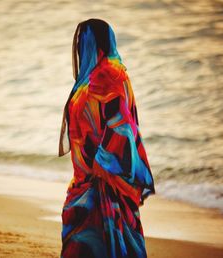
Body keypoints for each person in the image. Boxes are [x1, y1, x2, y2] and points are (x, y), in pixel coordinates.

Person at [59, 19, 155, 258]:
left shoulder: (109, 75)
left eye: (84, 40)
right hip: (86, 178)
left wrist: (102, 166)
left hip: (104, 178)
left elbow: (121, 125)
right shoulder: (92, 78)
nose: (80, 46)